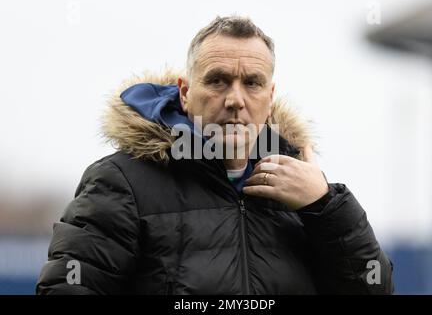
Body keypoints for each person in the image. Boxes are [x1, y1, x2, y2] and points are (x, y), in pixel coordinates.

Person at [36, 16, 393, 295]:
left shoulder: (306, 190)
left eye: (251, 83)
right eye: (218, 80)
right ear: (186, 92)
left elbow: (373, 290)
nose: (235, 99)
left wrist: (326, 206)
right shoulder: (121, 182)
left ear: (270, 97)